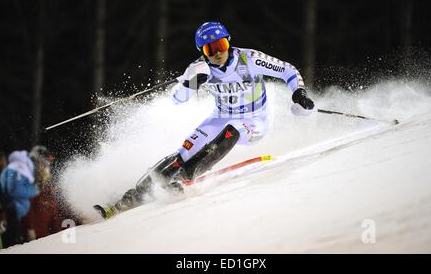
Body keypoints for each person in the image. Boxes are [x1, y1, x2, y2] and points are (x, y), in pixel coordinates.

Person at [95, 22, 315, 219]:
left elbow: (288, 70)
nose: (218, 53)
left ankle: (186, 176)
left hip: (255, 120)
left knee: (233, 129)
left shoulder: (250, 59)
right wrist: (191, 83)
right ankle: (128, 199)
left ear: (228, 42)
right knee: (184, 152)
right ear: (203, 51)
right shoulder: (199, 68)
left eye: (221, 45)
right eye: (211, 49)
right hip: (220, 117)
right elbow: (177, 99)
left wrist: (299, 93)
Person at [22, 146, 61, 242]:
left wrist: (58, 230)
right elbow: (28, 208)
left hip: (47, 230)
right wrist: (30, 229)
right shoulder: (31, 182)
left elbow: (53, 209)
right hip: (37, 231)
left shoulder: (48, 183)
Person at [0, 150, 38, 247]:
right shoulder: (15, 171)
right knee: (12, 241)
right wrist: (34, 191)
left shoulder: (8, 171)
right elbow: (16, 191)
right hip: (13, 209)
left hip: (10, 209)